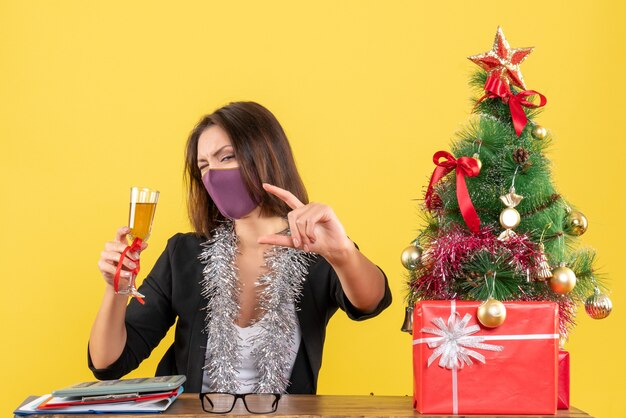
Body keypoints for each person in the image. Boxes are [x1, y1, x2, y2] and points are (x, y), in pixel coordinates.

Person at [88, 101, 392, 394]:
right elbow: (108, 363)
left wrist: (341, 254)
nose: (213, 175)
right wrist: (116, 288)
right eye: (204, 165)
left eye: (227, 157)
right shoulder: (184, 253)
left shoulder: (315, 245)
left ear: (265, 156)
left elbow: (371, 302)